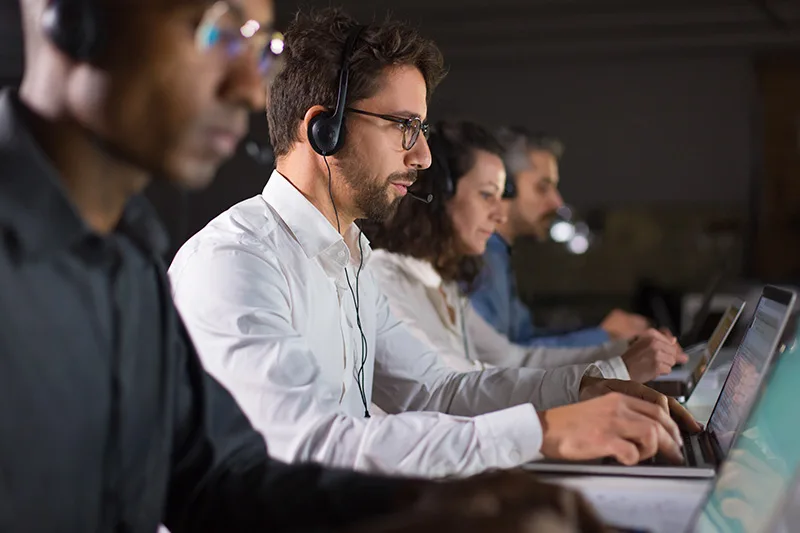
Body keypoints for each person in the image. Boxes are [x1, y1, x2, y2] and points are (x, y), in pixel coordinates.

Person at [0, 0, 612, 531]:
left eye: (256, 45)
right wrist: (534, 436)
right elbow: (296, 448)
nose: (247, 87)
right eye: (212, 30)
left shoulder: (126, 261)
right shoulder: (229, 260)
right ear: (72, 18)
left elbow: (217, 482)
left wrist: (454, 506)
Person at [169, 7, 700, 480]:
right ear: (322, 130)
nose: (422, 157)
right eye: (403, 126)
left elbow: (436, 390)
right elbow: (308, 446)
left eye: (420, 128)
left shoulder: (353, 256)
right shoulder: (236, 262)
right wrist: (543, 433)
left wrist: (586, 390)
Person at [364, 120, 686, 383]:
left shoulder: (442, 283)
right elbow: (454, 388)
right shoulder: (386, 278)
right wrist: (613, 369)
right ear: (437, 196)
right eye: (487, 195)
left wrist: (619, 352)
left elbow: (514, 359)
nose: (500, 214)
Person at [469, 126, 650, 348]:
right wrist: (603, 336)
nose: (557, 202)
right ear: (504, 186)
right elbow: (501, 358)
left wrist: (604, 331)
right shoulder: (479, 256)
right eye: (542, 188)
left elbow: (523, 338)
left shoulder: (498, 254)